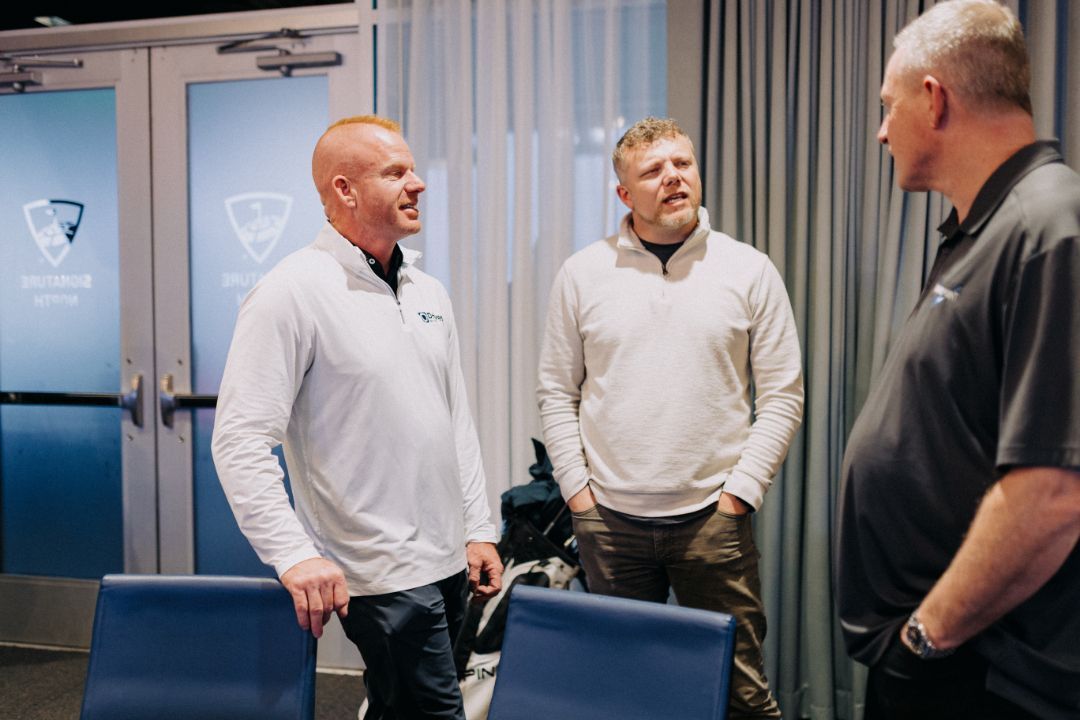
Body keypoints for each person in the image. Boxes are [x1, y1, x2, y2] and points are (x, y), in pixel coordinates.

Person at [212, 115, 503, 720]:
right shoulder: (290, 292)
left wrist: (477, 527)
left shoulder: (427, 290)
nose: (418, 183)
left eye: (413, 169)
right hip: (379, 572)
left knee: (398, 710)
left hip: (448, 560)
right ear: (344, 189)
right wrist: (294, 555)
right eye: (396, 172)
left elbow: (454, 422)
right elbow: (241, 440)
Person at [835, 2, 1080, 718]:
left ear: (934, 98)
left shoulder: (1049, 227)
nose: (882, 132)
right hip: (944, 661)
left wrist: (924, 637)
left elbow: (1054, 491)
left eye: (888, 107)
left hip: (984, 674)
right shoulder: (987, 227)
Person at [537, 116, 804, 719]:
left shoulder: (748, 269)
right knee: (629, 692)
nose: (673, 178)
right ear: (624, 194)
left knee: (743, 692)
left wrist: (740, 494)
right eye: (653, 170)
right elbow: (556, 390)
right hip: (610, 523)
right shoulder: (582, 274)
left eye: (682, 163)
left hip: (714, 522)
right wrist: (579, 494)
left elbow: (784, 394)